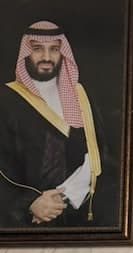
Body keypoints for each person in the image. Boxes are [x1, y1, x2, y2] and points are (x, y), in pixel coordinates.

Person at [0, 20, 104, 227]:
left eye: (54, 49)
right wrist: (29, 203)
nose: (46, 57)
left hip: (78, 216)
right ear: (25, 53)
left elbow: (101, 154)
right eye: (37, 49)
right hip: (23, 222)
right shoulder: (6, 99)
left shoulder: (81, 96)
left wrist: (66, 197)